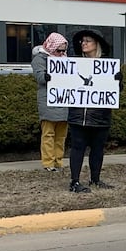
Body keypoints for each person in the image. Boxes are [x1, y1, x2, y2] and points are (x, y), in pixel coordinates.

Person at [66, 28, 118, 193]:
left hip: (101, 115)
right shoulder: (73, 65)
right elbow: (64, 84)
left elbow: (116, 91)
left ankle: (95, 179)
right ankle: (74, 182)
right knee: (78, 148)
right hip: (78, 115)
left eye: (88, 41)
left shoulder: (108, 66)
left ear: (97, 44)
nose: (84, 43)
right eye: (82, 41)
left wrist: (118, 81)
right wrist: (52, 78)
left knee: (98, 149)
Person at [31, 31, 70, 171]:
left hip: (64, 101)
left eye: (64, 50)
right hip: (48, 101)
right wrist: (46, 77)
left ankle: (58, 161)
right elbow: (39, 76)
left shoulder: (66, 60)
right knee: (48, 134)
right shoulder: (40, 59)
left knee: (61, 136)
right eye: (59, 50)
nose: (61, 53)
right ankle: (48, 162)